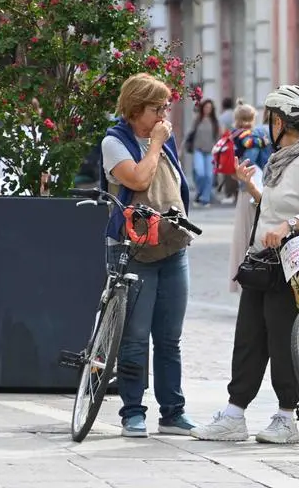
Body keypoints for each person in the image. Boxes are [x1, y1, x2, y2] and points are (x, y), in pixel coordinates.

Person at [191, 85, 299, 444]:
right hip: (264, 263)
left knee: (283, 339)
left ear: (284, 122)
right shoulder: (281, 158)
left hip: (291, 266)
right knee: (249, 338)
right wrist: (256, 192)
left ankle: (286, 417)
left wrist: (289, 225)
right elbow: (278, 206)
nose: (267, 125)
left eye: (272, 118)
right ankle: (233, 414)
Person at [99, 73, 194, 438]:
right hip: (135, 250)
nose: (163, 114)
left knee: (170, 337)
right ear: (137, 107)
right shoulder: (115, 141)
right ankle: (132, 412)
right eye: (157, 107)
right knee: (135, 337)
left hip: (171, 245)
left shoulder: (163, 138)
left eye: (166, 107)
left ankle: (173, 412)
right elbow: (137, 180)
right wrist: (154, 143)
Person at [227, 102, 270, 293]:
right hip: (260, 187)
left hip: (247, 190)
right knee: (257, 235)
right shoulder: (259, 134)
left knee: (245, 236)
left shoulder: (242, 135)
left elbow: (243, 163)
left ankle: (246, 280)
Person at [186, 99, 220, 206]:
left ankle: (205, 199)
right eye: (205, 107)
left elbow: (218, 137)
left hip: (210, 151)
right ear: (202, 108)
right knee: (200, 173)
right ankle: (200, 192)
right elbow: (190, 134)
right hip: (198, 150)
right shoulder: (197, 120)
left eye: (209, 108)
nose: (207, 109)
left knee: (209, 175)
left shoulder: (214, 122)